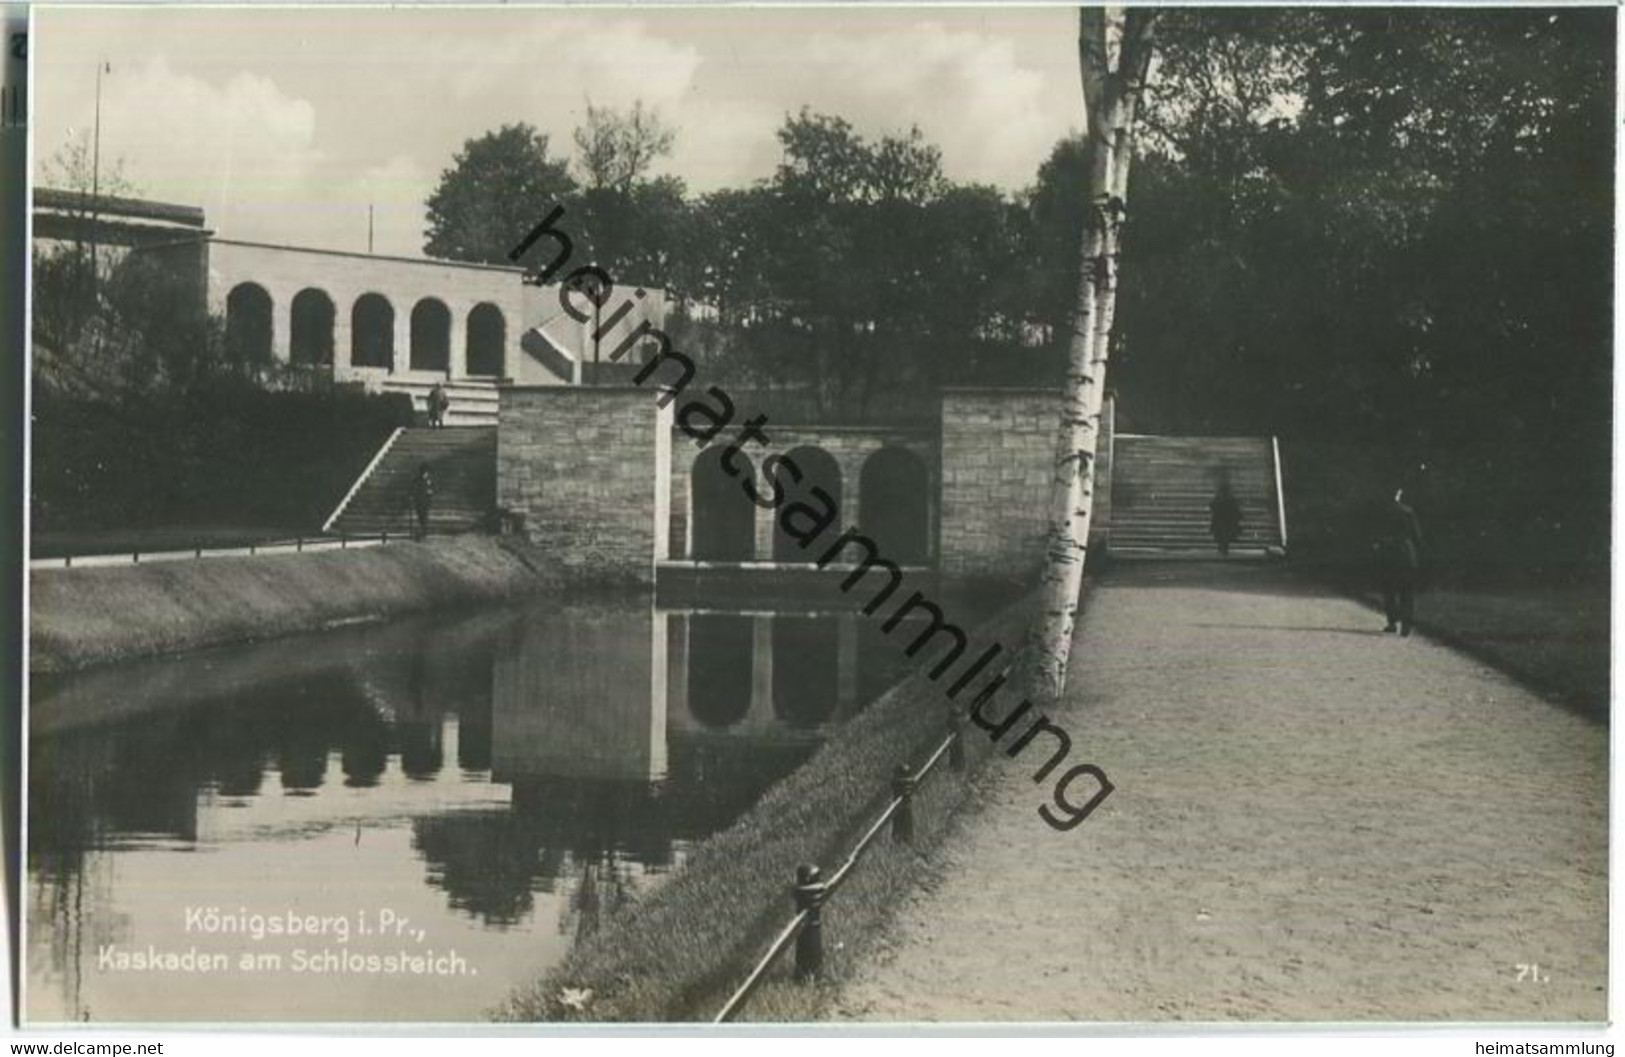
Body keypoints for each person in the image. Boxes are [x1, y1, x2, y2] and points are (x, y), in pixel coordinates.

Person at [1374, 487, 1424, 636]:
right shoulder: (1408, 511)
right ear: (1399, 494)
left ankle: (1392, 622)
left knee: (1389, 590)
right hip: (1407, 554)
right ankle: (1406, 625)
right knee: (1406, 591)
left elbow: (1377, 534)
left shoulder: (1382, 512)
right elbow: (1417, 536)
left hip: (1388, 554)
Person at [1209, 480, 1243, 557]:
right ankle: (1223, 548)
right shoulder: (1229, 498)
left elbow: (1212, 506)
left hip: (1222, 520)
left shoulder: (1220, 497)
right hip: (1225, 520)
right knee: (1223, 534)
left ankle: (1222, 548)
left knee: (1221, 534)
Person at [411, 463, 434, 541]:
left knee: (424, 517)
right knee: (421, 517)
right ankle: (422, 532)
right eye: (424, 472)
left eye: (426, 472)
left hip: (426, 501)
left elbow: (433, 488)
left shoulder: (429, 480)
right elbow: (414, 489)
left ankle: (423, 533)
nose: (425, 474)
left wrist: (431, 491)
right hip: (419, 501)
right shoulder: (417, 480)